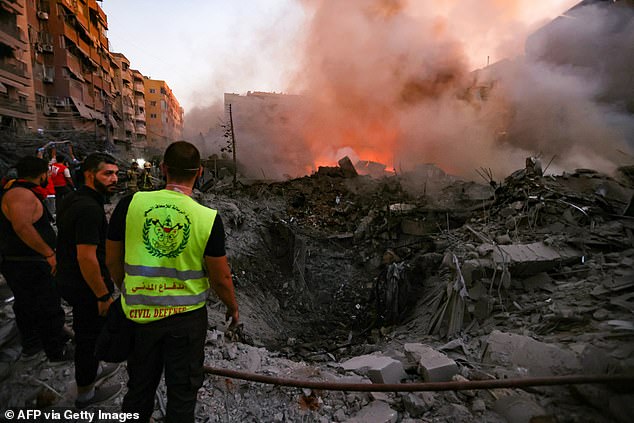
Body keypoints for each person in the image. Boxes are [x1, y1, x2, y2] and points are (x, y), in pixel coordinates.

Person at [106, 141, 239, 423]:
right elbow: (220, 277)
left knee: (139, 387)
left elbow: (112, 260)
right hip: (185, 322)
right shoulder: (206, 218)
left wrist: (129, 289)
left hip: (139, 315)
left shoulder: (130, 204)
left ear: (163, 169)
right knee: (182, 393)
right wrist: (232, 307)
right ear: (200, 172)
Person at [55, 152, 122, 408]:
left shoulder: (73, 199)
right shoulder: (89, 210)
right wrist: (102, 295)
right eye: (107, 173)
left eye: (116, 173)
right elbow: (87, 257)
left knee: (91, 333)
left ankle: (94, 370)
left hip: (70, 280)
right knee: (87, 337)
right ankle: (86, 393)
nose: (114, 178)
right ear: (89, 174)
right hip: (86, 286)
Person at [0, 156, 71, 363]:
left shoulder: (19, 191)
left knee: (27, 304)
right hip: (27, 262)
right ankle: (56, 350)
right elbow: (22, 227)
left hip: (23, 261)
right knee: (47, 305)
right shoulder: (20, 194)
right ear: (42, 175)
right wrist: (48, 253)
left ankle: (34, 344)